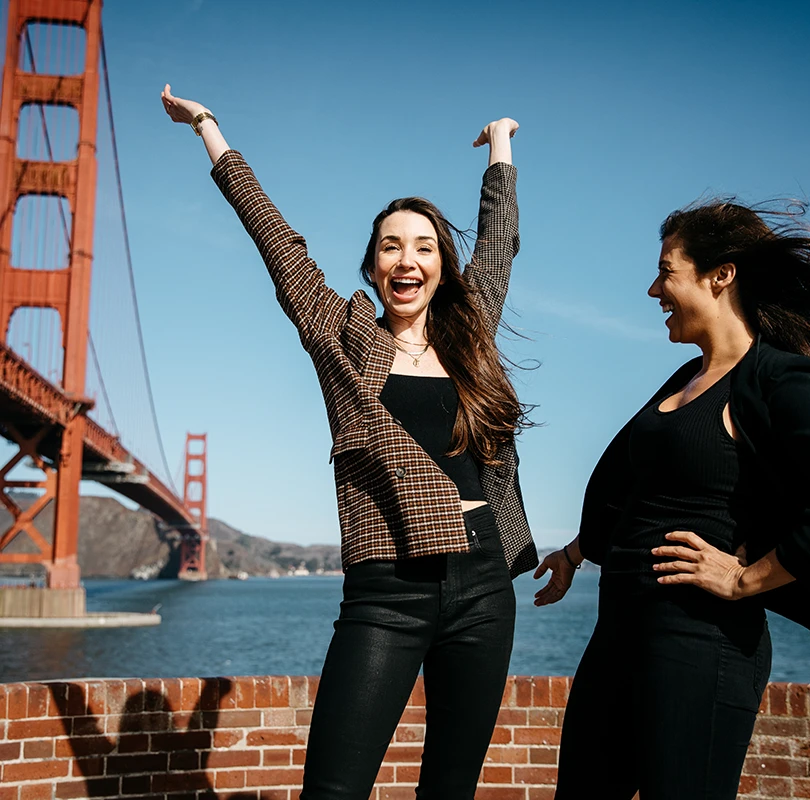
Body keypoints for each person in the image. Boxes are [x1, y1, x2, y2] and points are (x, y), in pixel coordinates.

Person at [534, 192, 810, 800]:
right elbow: (641, 490)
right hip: (617, 639)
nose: (652, 291)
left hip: (700, 646)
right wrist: (577, 551)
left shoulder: (777, 378)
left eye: (666, 272)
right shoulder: (685, 381)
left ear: (721, 276)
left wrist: (746, 579)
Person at [161, 85, 537, 800]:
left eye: (424, 247)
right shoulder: (342, 336)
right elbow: (276, 239)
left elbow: (499, 243)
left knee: (450, 788)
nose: (408, 259)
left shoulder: (471, 333)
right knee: (334, 790)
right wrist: (209, 128)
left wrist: (501, 147)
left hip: (484, 584)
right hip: (387, 589)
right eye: (391, 246)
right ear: (371, 266)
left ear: (441, 267)